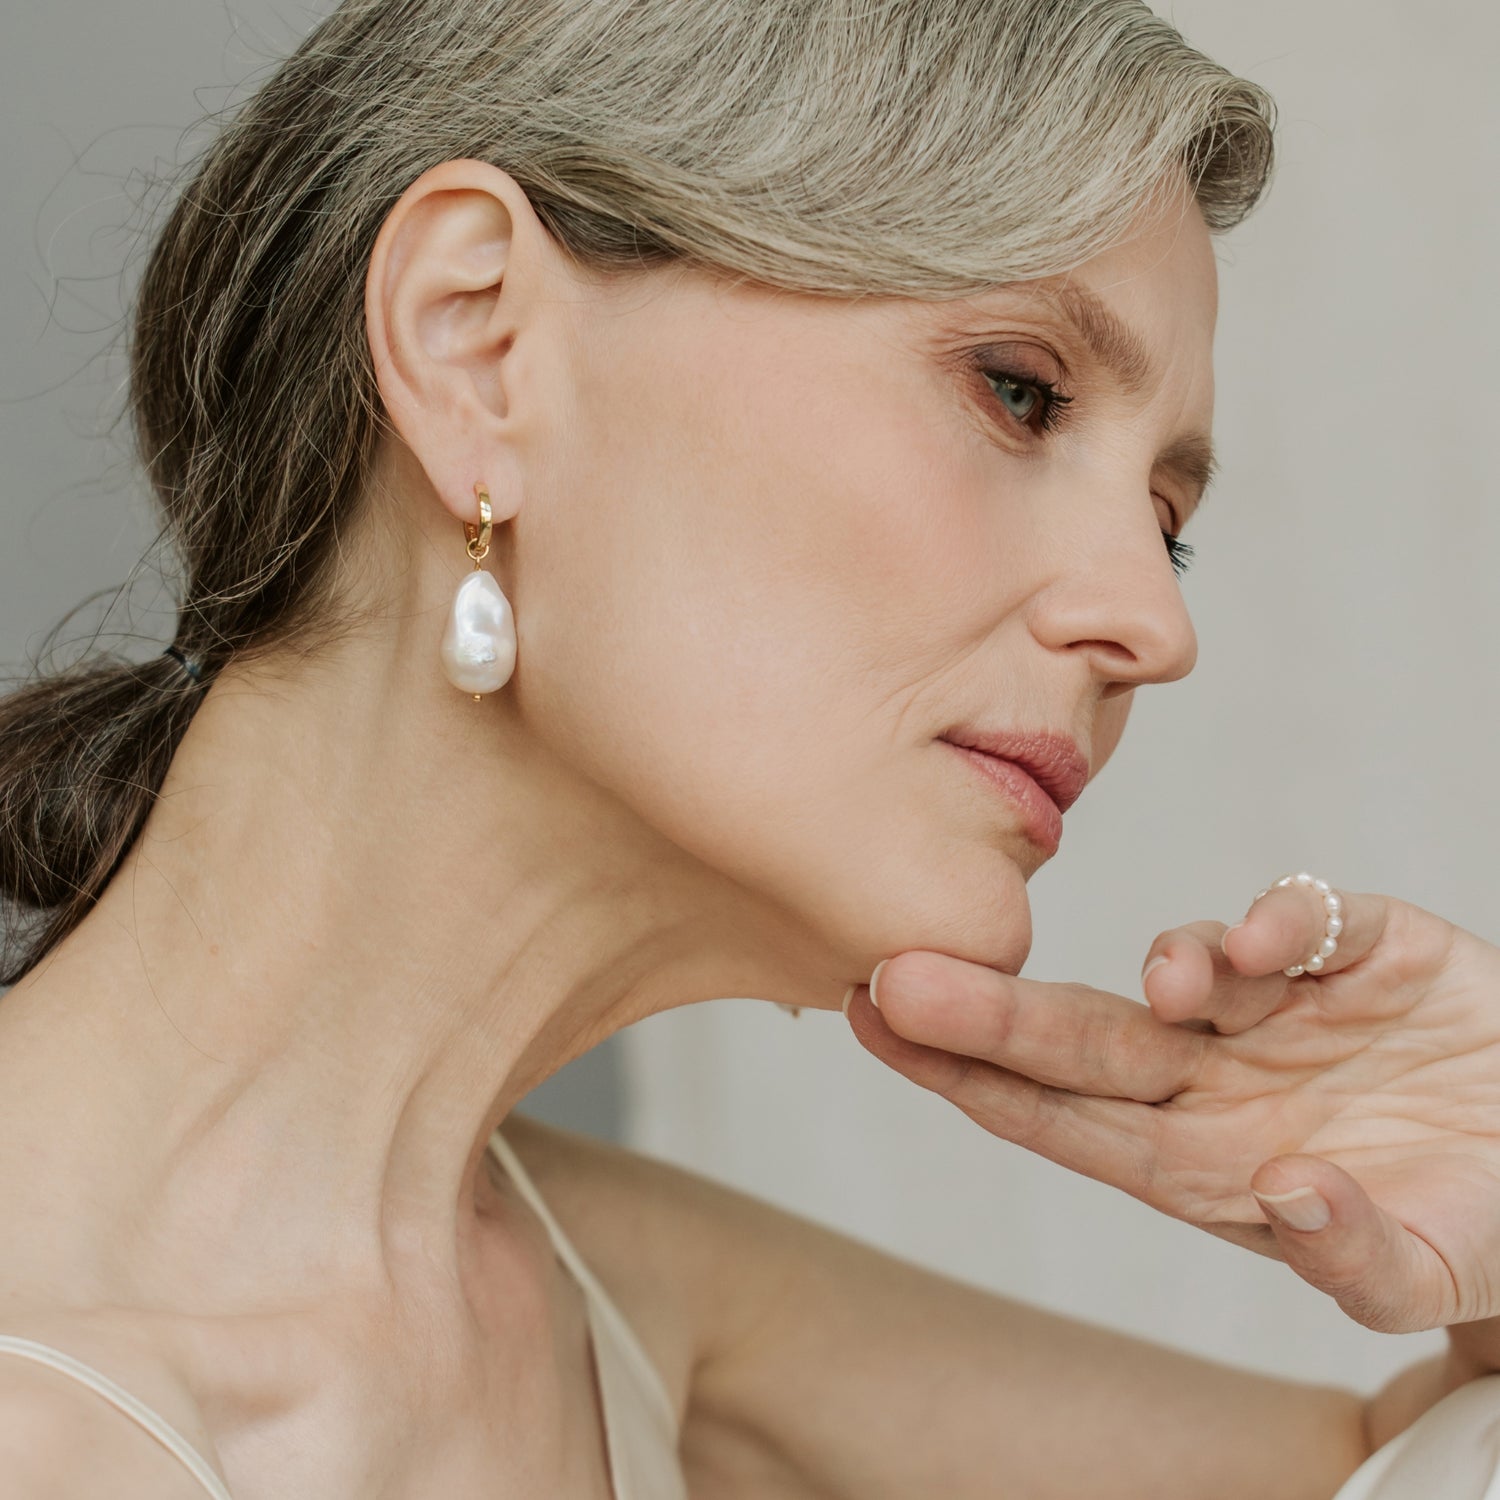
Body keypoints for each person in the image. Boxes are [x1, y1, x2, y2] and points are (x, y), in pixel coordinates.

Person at [2, 0, 1498, 1495]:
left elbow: (1379, 1472)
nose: (1150, 632)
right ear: (480, 344)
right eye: (1019, 390)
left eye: (1166, 535)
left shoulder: (611, 1302)